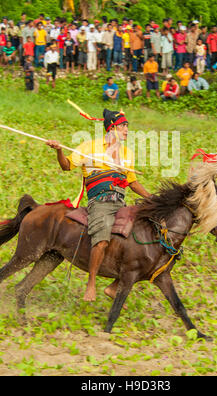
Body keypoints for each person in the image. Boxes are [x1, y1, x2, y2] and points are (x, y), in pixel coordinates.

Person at [46, 109, 150, 302]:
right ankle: (91, 283)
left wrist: (151, 198)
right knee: (102, 238)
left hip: (120, 202)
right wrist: (59, 150)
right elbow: (67, 166)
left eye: (127, 126)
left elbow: (133, 183)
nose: (127, 130)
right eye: (123, 126)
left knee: (141, 236)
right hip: (100, 201)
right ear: (111, 128)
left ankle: (115, 287)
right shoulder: (89, 147)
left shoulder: (127, 153)